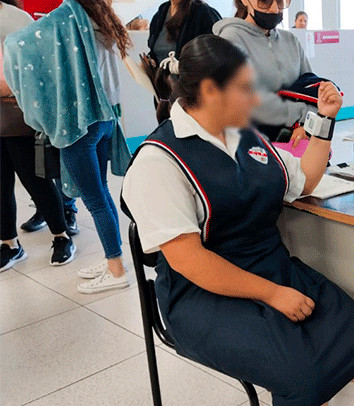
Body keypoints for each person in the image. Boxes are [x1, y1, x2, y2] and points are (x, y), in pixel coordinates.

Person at [122, 35, 354, 406]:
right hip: (201, 295)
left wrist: (325, 119)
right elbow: (190, 261)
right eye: (244, 88)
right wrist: (274, 294)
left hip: (273, 269)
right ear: (210, 91)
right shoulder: (159, 161)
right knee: (305, 383)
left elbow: (304, 180)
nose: (255, 98)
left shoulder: (247, 138)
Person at [4, 0, 132, 293]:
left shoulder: (67, 16)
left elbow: (20, 43)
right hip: (104, 118)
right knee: (102, 193)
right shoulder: (99, 14)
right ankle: (115, 259)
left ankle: (115, 270)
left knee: (96, 200)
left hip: (80, 124)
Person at [1, 0, 75, 271]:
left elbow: (39, 68)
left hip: (18, 115)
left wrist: (10, 88)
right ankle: (9, 244)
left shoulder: (18, 19)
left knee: (36, 180)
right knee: (0, 186)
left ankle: (61, 236)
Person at [215, 0, 314, 145]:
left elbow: (312, 91)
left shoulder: (291, 41)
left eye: (280, 2)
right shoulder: (230, 39)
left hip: (296, 144)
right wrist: (301, 114)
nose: (275, 9)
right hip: (253, 146)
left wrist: (306, 126)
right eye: (265, 1)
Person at [148, 0, 221, 63]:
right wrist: (151, 62)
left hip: (190, 77)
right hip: (160, 77)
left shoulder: (204, 13)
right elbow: (155, 51)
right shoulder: (161, 13)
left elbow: (217, 53)